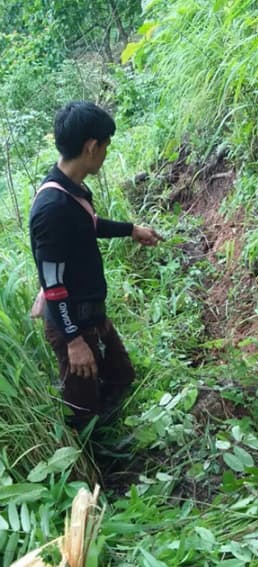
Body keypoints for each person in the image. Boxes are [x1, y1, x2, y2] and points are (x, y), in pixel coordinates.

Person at [30, 101, 164, 429]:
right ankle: (92, 463)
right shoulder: (52, 208)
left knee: (121, 377)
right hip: (71, 322)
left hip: (92, 313)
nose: (106, 152)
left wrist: (130, 230)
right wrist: (74, 341)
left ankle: (114, 428)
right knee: (82, 416)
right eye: (106, 145)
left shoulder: (72, 189)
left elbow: (88, 223)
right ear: (92, 146)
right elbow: (52, 283)